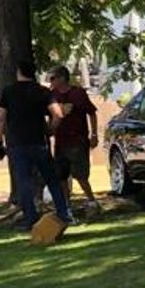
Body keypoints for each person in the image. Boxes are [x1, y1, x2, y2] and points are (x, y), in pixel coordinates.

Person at [0, 59, 72, 229]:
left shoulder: (8, 92)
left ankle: (31, 218)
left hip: (17, 143)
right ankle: (63, 213)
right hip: (39, 143)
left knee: (24, 182)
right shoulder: (42, 91)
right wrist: (50, 131)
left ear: (19, 72)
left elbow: (1, 118)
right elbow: (58, 114)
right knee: (52, 180)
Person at [46, 65, 100, 212]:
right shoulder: (52, 95)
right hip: (60, 141)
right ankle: (67, 206)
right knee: (61, 175)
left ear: (62, 78)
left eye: (53, 78)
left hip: (78, 140)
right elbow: (50, 117)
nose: (51, 81)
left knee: (81, 174)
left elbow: (92, 112)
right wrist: (50, 130)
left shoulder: (78, 93)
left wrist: (94, 134)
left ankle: (92, 201)